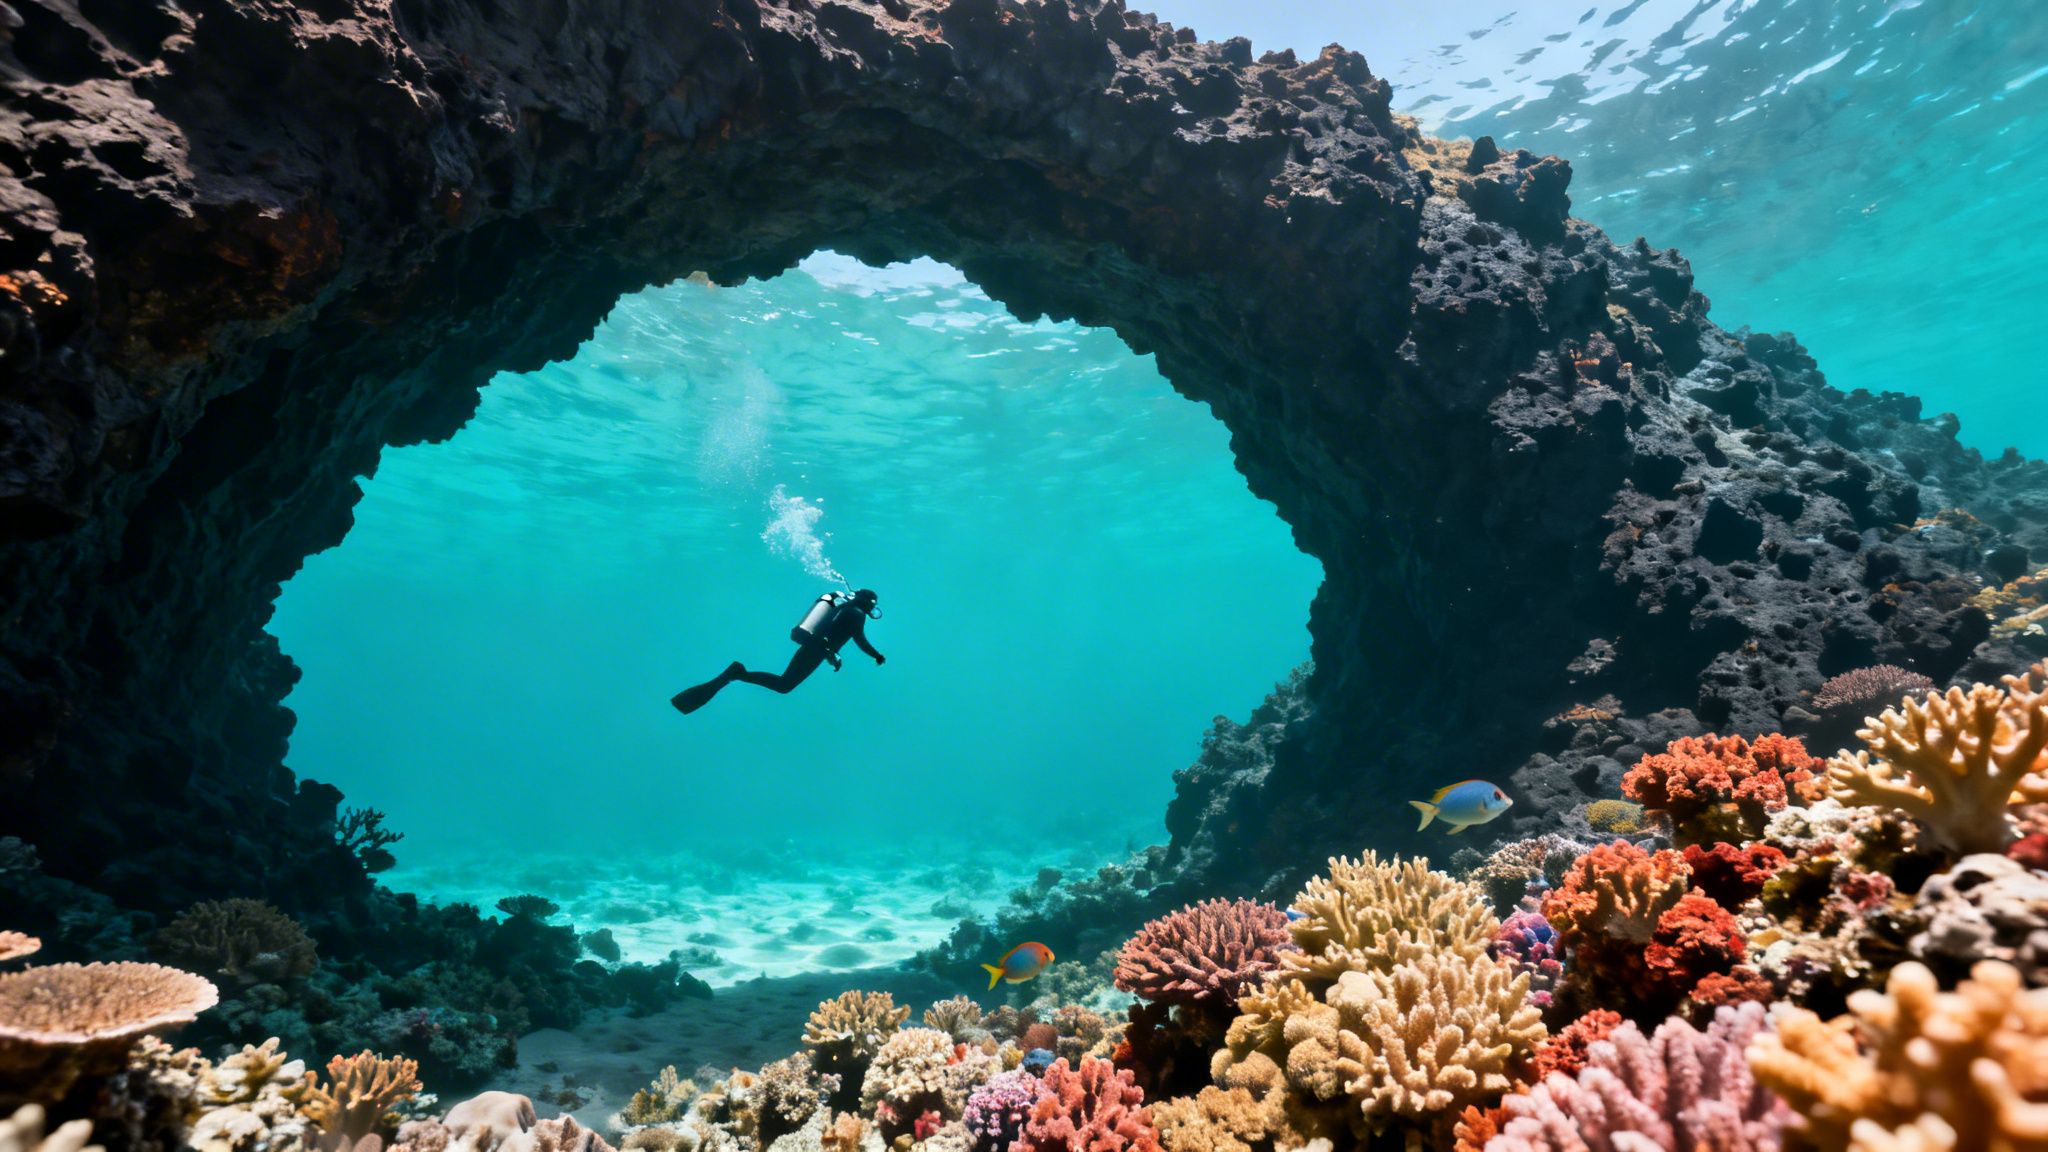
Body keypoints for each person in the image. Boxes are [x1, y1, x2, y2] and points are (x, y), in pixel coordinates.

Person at [671, 589, 886, 713]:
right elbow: (859, 639)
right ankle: (738, 673)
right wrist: (876, 655)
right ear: (868, 603)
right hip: (816, 651)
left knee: (784, 684)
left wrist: (831, 654)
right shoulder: (857, 614)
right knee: (784, 685)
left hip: (813, 648)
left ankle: (738, 674)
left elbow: (833, 635)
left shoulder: (845, 608)